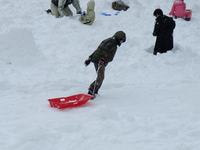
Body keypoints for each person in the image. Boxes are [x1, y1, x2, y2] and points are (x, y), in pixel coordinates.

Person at [84, 31, 126, 98]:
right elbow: (104, 51)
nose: (121, 42)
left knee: (100, 76)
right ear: (119, 38)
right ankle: (91, 91)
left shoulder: (109, 40)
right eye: (122, 40)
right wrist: (103, 59)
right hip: (99, 61)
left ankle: (95, 91)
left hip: (98, 60)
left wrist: (90, 58)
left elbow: (98, 50)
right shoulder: (112, 43)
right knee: (101, 77)